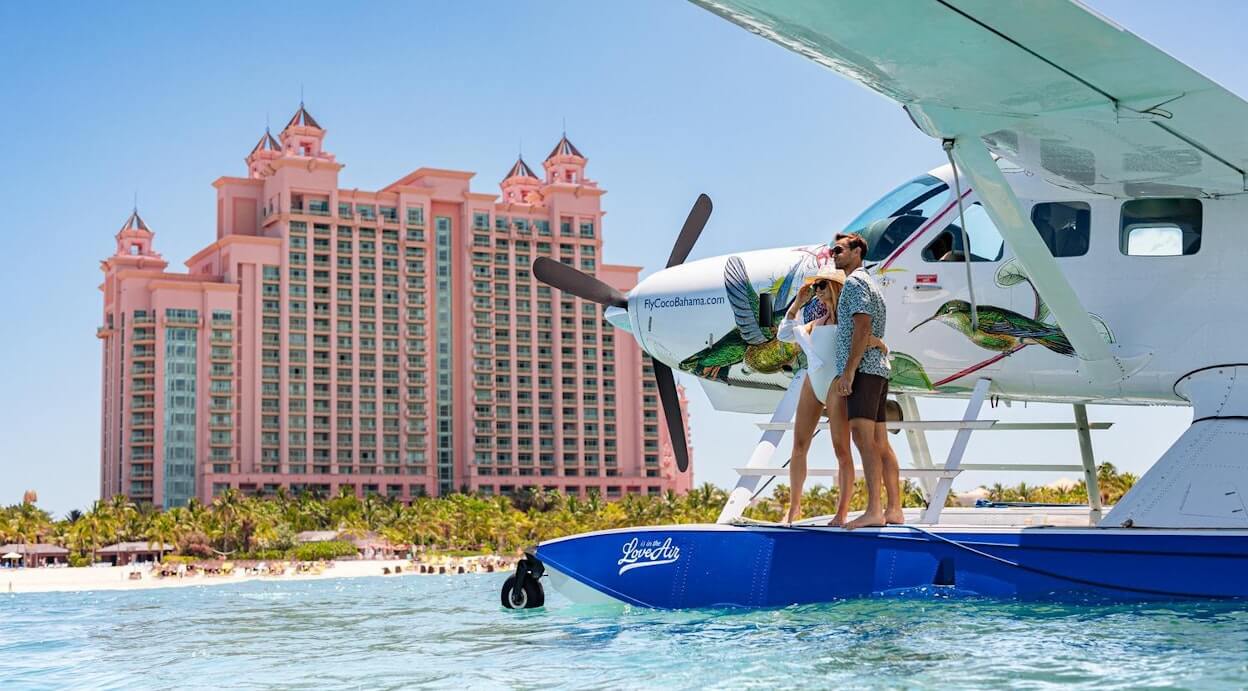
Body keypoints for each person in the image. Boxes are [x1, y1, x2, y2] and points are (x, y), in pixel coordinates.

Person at [775, 266, 888, 525]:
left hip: (835, 384)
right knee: (799, 446)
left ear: (835, 287)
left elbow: (869, 339)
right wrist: (797, 304)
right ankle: (793, 509)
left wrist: (882, 346)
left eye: (821, 285)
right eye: (815, 287)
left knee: (841, 450)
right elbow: (784, 334)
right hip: (812, 382)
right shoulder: (816, 323)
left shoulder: (847, 324)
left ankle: (842, 512)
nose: (817, 291)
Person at [831, 232, 904, 528]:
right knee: (879, 442)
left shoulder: (855, 283)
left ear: (857, 252)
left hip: (864, 371)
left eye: (838, 250)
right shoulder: (872, 282)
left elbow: (862, 327)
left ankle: (874, 510)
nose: (833, 255)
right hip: (876, 369)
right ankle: (894, 509)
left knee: (864, 440)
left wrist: (849, 371)